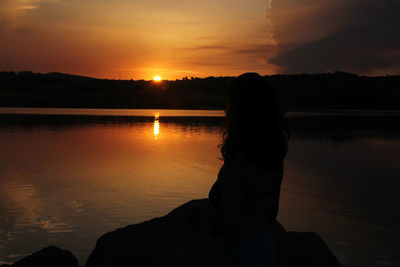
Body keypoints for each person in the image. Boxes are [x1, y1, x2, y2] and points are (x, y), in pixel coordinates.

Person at [207, 73, 289, 266]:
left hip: (237, 256)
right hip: (264, 251)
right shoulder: (274, 156)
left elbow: (228, 225)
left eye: (230, 102)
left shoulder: (238, 163)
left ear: (238, 110)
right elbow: (271, 213)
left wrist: (202, 212)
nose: (227, 109)